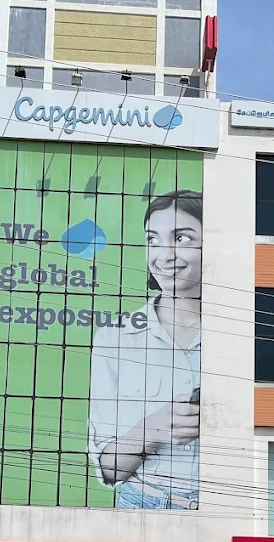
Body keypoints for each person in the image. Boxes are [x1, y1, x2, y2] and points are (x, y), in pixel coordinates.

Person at [89, 189, 203, 510]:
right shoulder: (117, 336)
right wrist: (152, 428)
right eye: (153, 239)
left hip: (222, 512)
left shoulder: (239, 332)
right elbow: (110, 469)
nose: (164, 255)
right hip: (141, 505)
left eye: (181, 238)